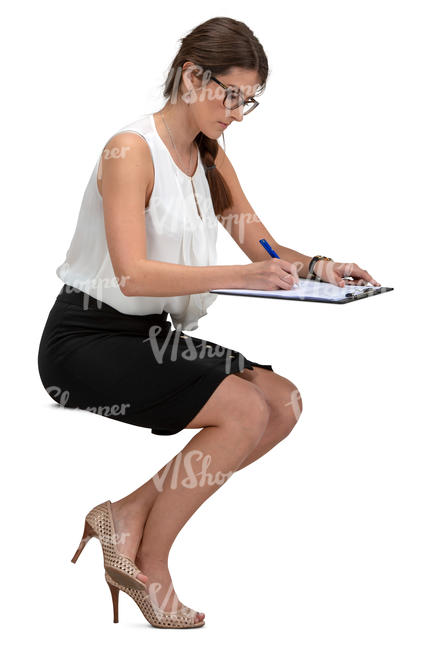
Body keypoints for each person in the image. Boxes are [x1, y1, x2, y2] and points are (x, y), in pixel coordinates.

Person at [37, 16, 380, 630]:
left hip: (149, 339)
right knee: (244, 410)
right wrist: (233, 276)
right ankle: (154, 559)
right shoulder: (128, 150)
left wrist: (322, 267)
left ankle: (129, 512)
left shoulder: (210, 158)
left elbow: (263, 250)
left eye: (251, 101)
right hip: (84, 340)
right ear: (193, 76)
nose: (240, 112)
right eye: (233, 94)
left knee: (282, 402)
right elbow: (133, 275)